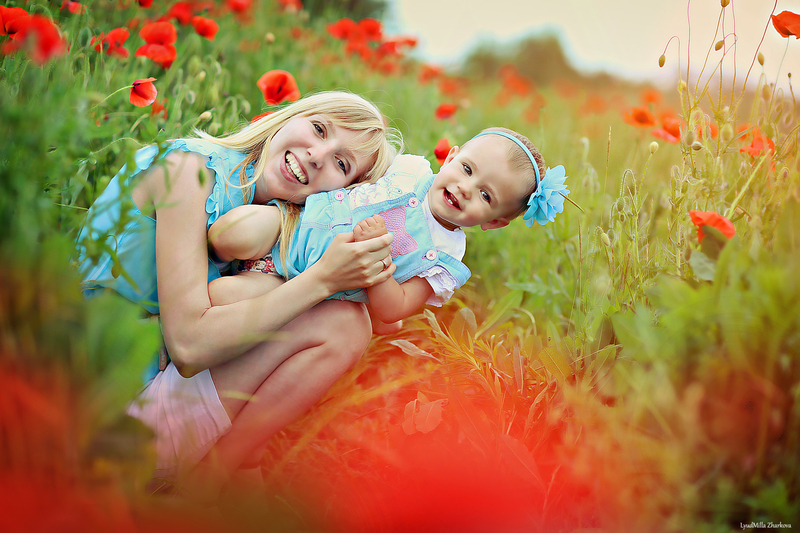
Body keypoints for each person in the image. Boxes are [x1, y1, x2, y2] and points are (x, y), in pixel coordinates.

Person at [75, 91, 403, 493]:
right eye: (319, 129)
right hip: (94, 400)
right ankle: (208, 485)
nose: (318, 155)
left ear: (343, 194)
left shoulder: (279, 225)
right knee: (339, 322)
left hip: (153, 389)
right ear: (292, 116)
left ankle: (223, 473)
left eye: (341, 163)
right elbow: (190, 347)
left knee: (346, 320)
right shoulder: (188, 171)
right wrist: (322, 280)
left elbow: (388, 321)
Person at [206, 128, 570, 330]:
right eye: (467, 170)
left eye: (486, 195)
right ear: (451, 157)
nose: (465, 188)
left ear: (494, 222)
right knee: (231, 234)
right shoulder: (408, 170)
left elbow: (393, 310)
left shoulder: (443, 259)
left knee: (221, 297)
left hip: (298, 284)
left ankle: (182, 325)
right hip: (290, 224)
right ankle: (206, 262)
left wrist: (379, 261)